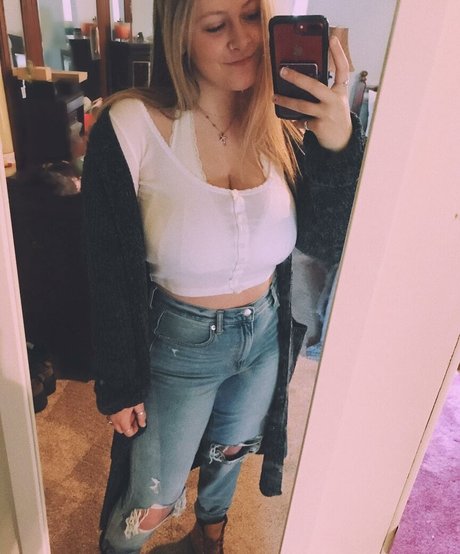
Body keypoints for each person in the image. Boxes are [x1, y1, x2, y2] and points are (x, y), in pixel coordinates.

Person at [81, 1, 365, 552]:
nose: (243, 39)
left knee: (231, 453)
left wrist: (336, 141)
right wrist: (118, 383)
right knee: (152, 497)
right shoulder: (132, 125)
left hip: (264, 334)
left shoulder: (285, 125)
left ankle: (208, 540)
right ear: (179, 36)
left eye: (252, 16)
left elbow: (326, 243)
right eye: (215, 25)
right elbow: (106, 269)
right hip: (178, 346)